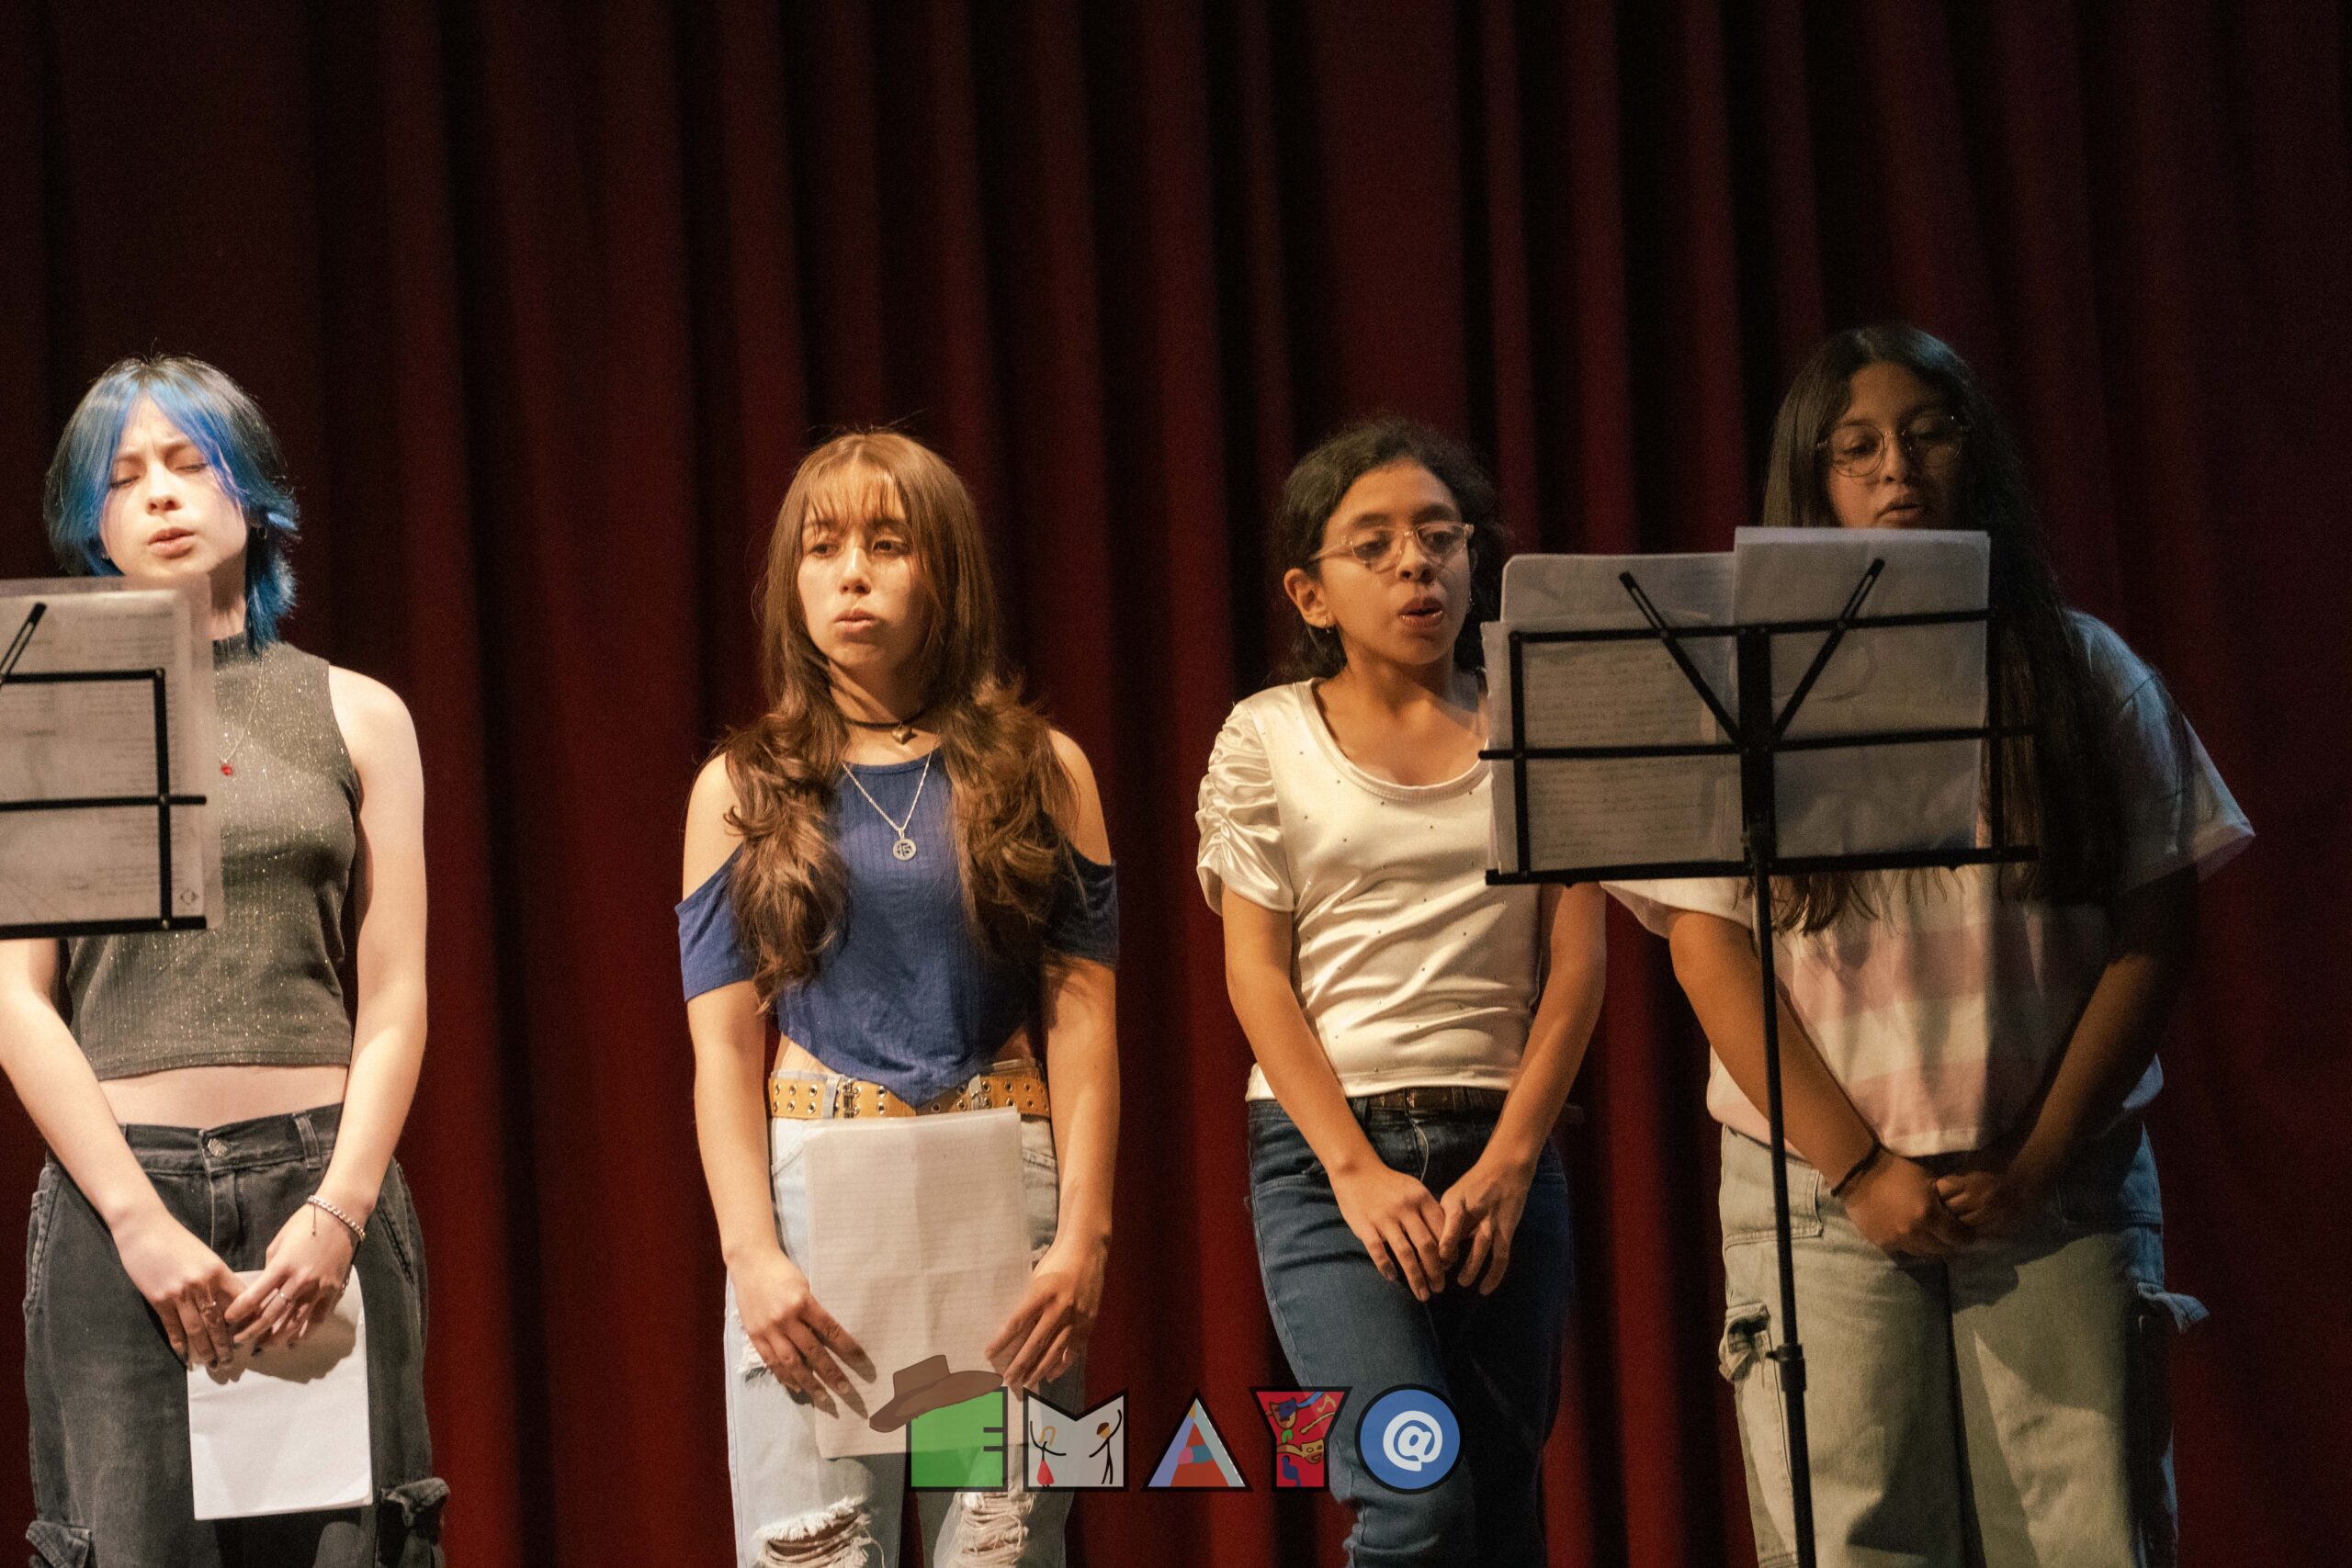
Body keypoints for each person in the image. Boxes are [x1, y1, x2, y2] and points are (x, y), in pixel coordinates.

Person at [1611, 323, 2249, 1567]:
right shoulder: (1746, 683)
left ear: (1977, 454)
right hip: (1818, 1192)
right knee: (1853, 1538)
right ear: (1813, 482)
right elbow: (1707, 945)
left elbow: (2156, 923)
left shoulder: (2081, 669)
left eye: (1927, 433)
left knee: (2083, 1537)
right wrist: (1859, 1168)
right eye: (1856, 449)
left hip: (2055, 1181)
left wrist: (2038, 1158)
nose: (1896, 469)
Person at [0, 355, 442, 1565]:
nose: (160, 493)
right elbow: (19, 999)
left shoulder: (358, 713)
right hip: (119, 1197)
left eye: (190, 463)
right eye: (123, 477)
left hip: (320, 1187)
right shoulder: (52, 703)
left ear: (250, 488)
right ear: (90, 523)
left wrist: (340, 1208)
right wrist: (137, 1220)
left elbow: (395, 991)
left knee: (355, 1539)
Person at [679, 431, 1118, 1567]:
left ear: (946, 571)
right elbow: (721, 1051)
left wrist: (1082, 1235)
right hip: (819, 1205)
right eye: (822, 547)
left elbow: (1084, 1019)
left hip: (999, 1193)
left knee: (1002, 1547)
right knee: (816, 1548)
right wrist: (752, 1256)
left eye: (887, 544)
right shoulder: (740, 785)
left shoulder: (1043, 768)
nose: (852, 574)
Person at [1197, 418, 1604, 1567]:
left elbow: (1576, 963)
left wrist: (1513, 1162)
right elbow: (1255, 973)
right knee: (1416, 1495)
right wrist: (1354, 1171)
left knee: (1504, 1504)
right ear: (1310, 594)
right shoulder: (1267, 734)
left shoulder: (1539, 716)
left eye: (1438, 536)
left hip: (1501, 1146)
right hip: (1328, 1160)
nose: (1414, 564)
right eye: (1371, 546)